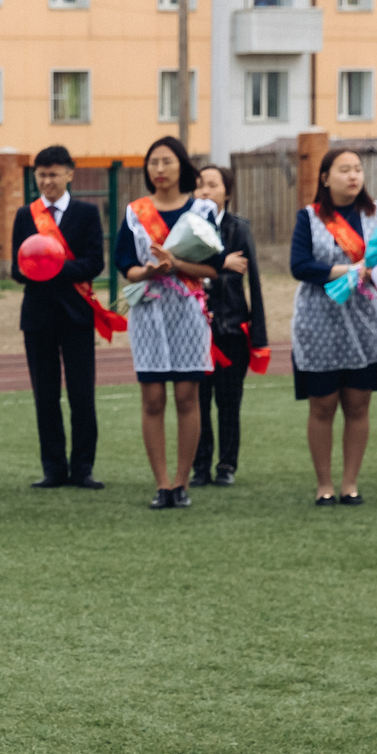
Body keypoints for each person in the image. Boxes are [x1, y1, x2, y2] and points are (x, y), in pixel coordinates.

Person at [115, 135, 218, 509]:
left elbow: (213, 268)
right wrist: (147, 271)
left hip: (188, 310)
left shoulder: (202, 212)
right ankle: (161, 484)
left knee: (187, 396)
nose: (159, 169)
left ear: (182, 166)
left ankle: (182, 482)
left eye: (167, 162)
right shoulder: (135, 211)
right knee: (153, 396)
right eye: (153, 162)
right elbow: (124, 265)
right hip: (148, 311)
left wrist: (176, 265)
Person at [290, 148, 377, 506]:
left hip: (364, 318)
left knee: (358, 403)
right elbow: (300, 266)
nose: (353, 176)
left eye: (358, 169)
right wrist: (350, 271)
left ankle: (350, 482)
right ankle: (324, 485)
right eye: (344, 169)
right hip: (319, 319)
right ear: (324, 177)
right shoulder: (310, 217)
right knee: (322, 403)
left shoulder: (376, 213)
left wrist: (372, 271)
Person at [11, 145, 108, 489]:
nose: (47, 181)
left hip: (76, 315)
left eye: (54, 174)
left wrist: (54, 266)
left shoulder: (86, 213)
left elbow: (95, 263)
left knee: (82, 394)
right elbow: (17, 269)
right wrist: (37, 268)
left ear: (70, 174)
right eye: (41, 174)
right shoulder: (26, 215)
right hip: (38, 317)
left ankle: (83, 468)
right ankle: (53, 468)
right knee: (45, 395)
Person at [191, 164, 269, 487]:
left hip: (231, 326)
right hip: (193, 326)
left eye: (212, 185)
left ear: (227, 192)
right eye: (199, 185)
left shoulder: (239, 229)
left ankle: (226, 465)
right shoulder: (186, 226)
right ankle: (199, 466)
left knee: (228, 401)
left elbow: (250, 279)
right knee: (195, 401)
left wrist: (259, 335)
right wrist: (220, 266)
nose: (205, 191)